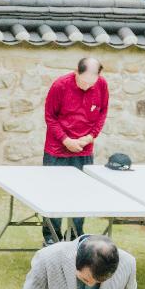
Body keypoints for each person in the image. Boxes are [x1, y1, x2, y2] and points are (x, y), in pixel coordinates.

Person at [41, 58, 110, 243]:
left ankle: (75, 235)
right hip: (57, 149)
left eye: (91, 82)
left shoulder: (102, 85)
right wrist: (65, 140)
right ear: (76, 72)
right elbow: (50, 117)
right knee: (53, 194)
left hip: (84, 149)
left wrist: (90, 137)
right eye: (83, 81)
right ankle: (51, 237)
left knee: (81, 194)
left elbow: (102, 112)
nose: (87, 86)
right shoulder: (60, 86)